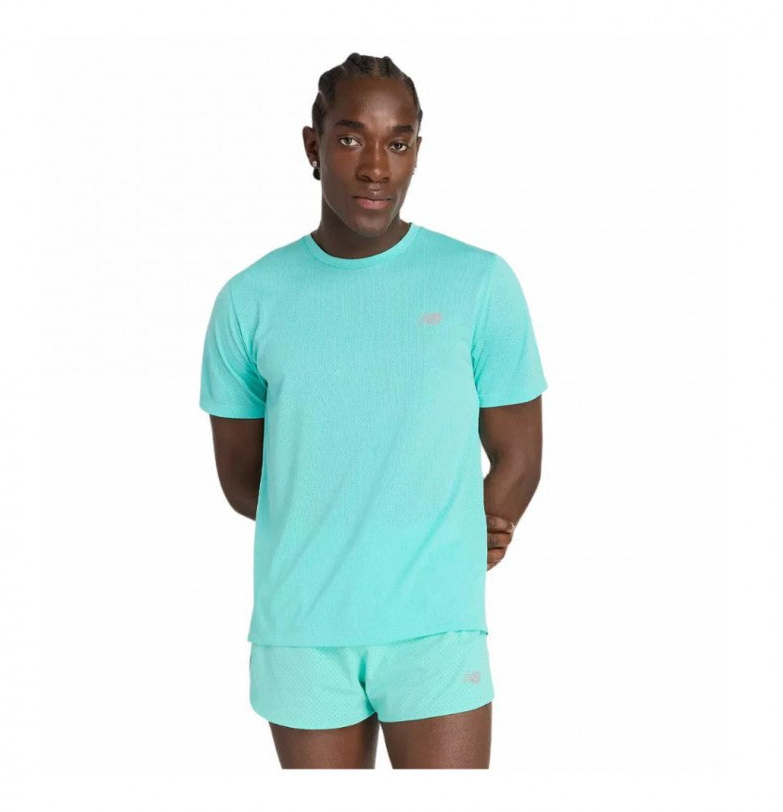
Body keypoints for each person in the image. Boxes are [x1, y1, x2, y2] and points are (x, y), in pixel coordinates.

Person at [199, 52, 547, 768]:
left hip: (436, 628)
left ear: (418, 150)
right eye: (352, 138)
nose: (376, 168)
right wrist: (347, 528)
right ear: (313, 146)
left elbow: (518, 454)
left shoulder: (478, 281)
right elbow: (242, 480)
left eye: (399, 141)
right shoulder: (249, 299)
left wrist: (475, 534)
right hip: (302, 629)